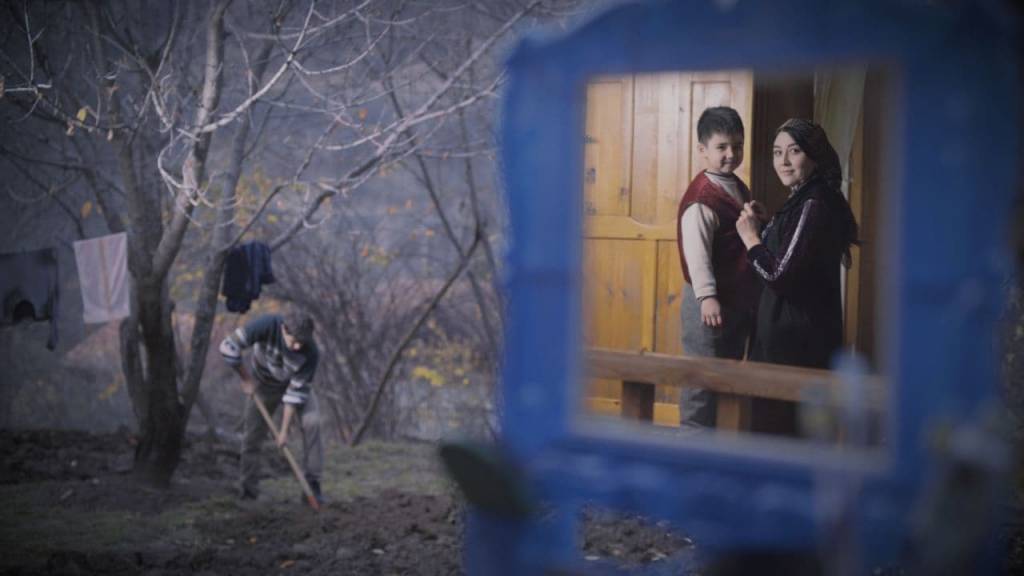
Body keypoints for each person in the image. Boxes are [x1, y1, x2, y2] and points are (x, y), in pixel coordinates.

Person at [735, 118, 859, 433]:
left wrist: (751, 239)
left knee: (781, 438)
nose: (784, 161)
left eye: (794, 151)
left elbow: (780, 276)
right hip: (789, 341)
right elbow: (795, 256)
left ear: (814, 154)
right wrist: (769, 227)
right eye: (777, 153)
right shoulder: (804, 197)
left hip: (794, 348)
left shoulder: (814, 202)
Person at [675, 106, 763, 427]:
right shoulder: (701, 197)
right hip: (708, 302)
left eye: (737, 146)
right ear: (703, 150)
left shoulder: (736, 185)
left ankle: (720, 439)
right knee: (702, 378)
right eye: (722, 147)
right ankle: (693, 440)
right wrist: (707, 296)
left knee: (727, 372)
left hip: (734, 300)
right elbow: (696, 252)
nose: (731, 154)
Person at [219, 310, 324, 505]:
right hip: (263, 385)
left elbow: (294, 395)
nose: (298, 347)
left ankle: (312, 486)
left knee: (313, 422)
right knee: (252, 437)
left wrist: (283, 432)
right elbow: (228, 346)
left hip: (294, 385)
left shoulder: (311, 352)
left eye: (302, 343)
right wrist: (246, 378)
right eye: (294, 342)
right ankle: (249, 491)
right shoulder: (267, 325)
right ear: (283, 329)